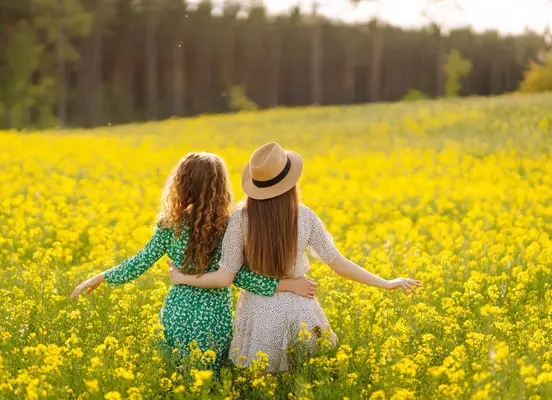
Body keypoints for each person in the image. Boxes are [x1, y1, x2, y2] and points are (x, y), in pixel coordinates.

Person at [169, 143, 421, 371]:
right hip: (301, 310)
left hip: (258, 315)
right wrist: (386, 282)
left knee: (263, 385)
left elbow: (225, 277)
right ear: (290, 183)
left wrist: (181, 278)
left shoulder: (241, 219)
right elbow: (339, 264)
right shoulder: (305, 216)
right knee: (306, 379)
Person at [71, 152, 316, 371]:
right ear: (220, 187)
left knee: (176, 379)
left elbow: (140, 261)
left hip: (176, 315)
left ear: (181, 185)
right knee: (210, 384)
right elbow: (238, 276)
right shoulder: (227, 227)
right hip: (213, 321)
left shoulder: (170, 226)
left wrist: (101, 276)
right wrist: (287, 285)